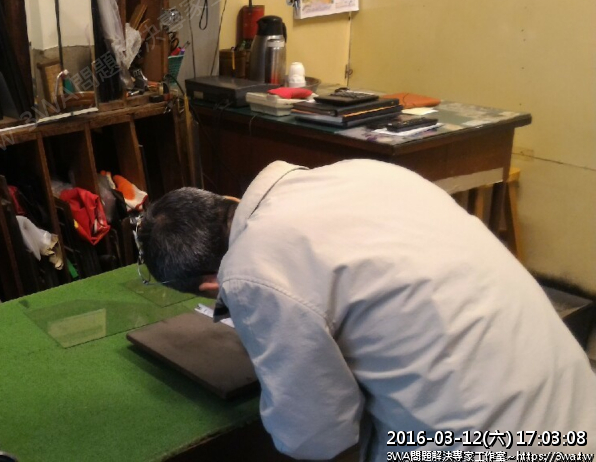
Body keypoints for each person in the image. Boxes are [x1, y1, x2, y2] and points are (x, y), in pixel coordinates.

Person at [136, 159, 596, 462]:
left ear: (211, 284)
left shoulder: (254, 267)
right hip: (572, 405)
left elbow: (317, 435)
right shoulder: (362, 173)